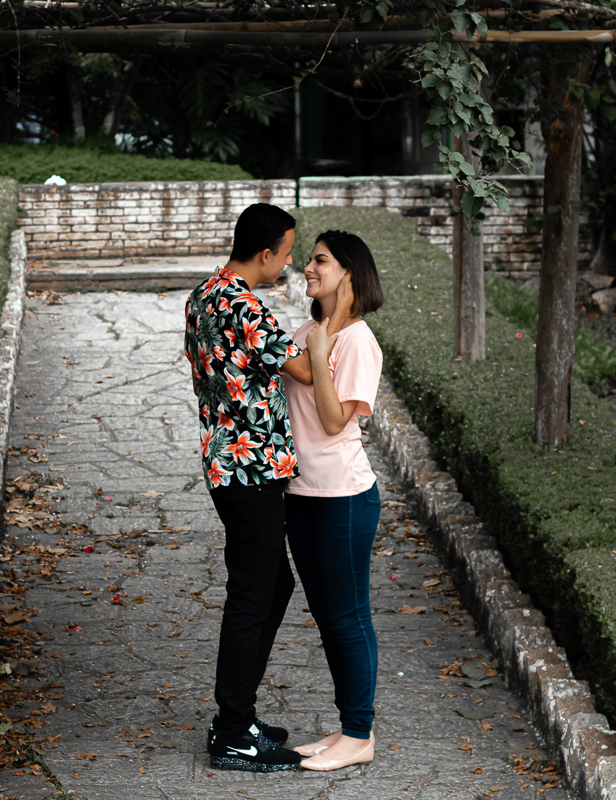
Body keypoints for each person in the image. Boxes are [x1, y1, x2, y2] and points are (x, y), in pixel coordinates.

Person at [183, 204, 349, 772]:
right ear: (264, 254)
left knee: (271, 584)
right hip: (250, 471)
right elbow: (303, 369)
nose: (291, 263)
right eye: (287, 252)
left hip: (225, 465)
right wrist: (328, 330)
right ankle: (231, 731)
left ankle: (239, 714)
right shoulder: (244, 304)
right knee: (255, 593)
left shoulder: (203, 296)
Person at [282, 229, 385, 772]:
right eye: (308, 260)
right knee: (327, 615)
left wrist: (321, 353)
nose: (308, 268)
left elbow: (332, 419)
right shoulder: (309, 331)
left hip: (344, 497)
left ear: (348, 270)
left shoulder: (358, 342)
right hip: (301, 494)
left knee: (348, 616)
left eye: (320, 260)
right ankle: (348, 726)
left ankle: (360, 734)